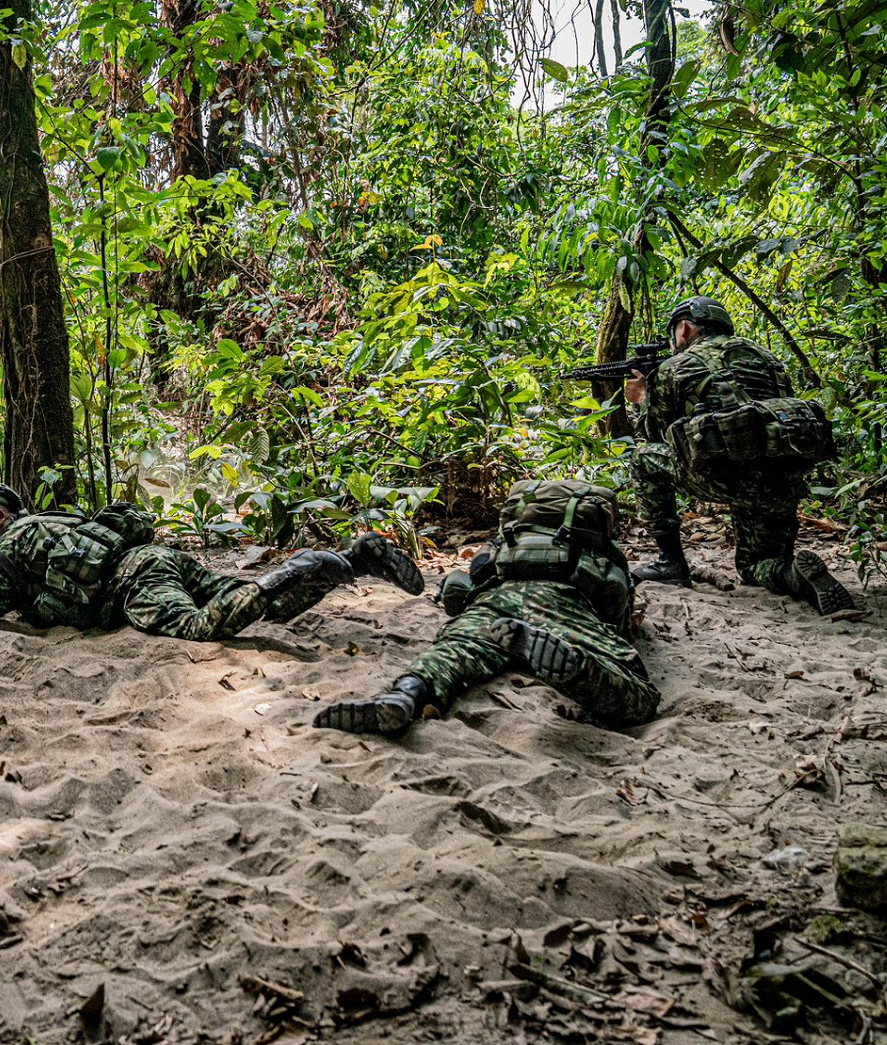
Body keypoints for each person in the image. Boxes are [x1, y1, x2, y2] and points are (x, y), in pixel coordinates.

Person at [313, 479, 660, 736]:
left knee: (454, 653)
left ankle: (407, 694)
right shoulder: (600, 553)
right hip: (564, 603)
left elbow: (472, 578)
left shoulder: (506, 542)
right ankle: (573, 668)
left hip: (496, 601)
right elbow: (615, 604)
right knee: (639, 695)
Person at [0, 481, 425, 640]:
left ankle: (295, 569)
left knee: (203, 626)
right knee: (261, 609)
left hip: (134, 583)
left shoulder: (6, 547)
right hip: (154, 556)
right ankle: (354, 559)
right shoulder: (51, 522)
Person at [624, 295, 853, 614]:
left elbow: (652, 433)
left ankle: (670, 564)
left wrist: (641, 397)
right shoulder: (767, 358)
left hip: (725, 479)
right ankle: (796, 575)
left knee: (643, 457)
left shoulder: (677, 366)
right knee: (756, 566)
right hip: (782, 480)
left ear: (686, 328)